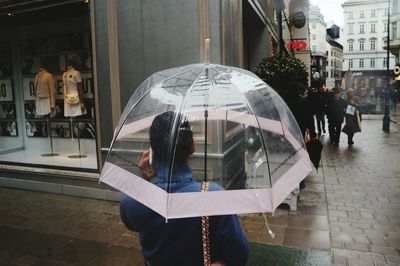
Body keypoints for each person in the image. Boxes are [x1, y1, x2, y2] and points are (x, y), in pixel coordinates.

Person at [119, 111, 249, 266]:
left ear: (151, 152)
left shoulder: (131, 200)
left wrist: (144, 180)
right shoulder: (215, 198)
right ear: (192, 146)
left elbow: (131, 223)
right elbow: (240, 256)